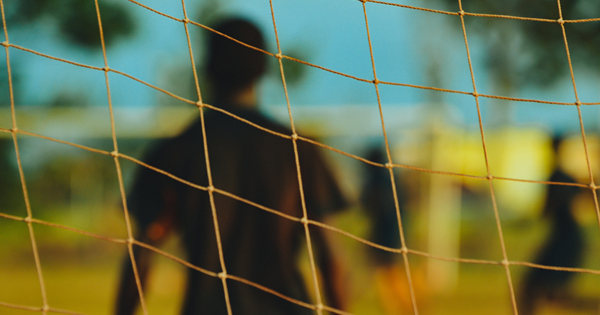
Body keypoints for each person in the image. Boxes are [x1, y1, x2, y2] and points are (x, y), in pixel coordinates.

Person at [115, 18, 347, 315]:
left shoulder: (175, 151)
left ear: (207, 67)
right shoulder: (298, 150)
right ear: (264, 68)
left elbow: (142, 254)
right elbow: (331, 257)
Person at [518, 136, 585, 315]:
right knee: (541, 289)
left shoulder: (559, 177)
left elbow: (547, 210)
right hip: (567, 237)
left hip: (567, 239)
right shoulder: (565, 176)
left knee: (538, 288)